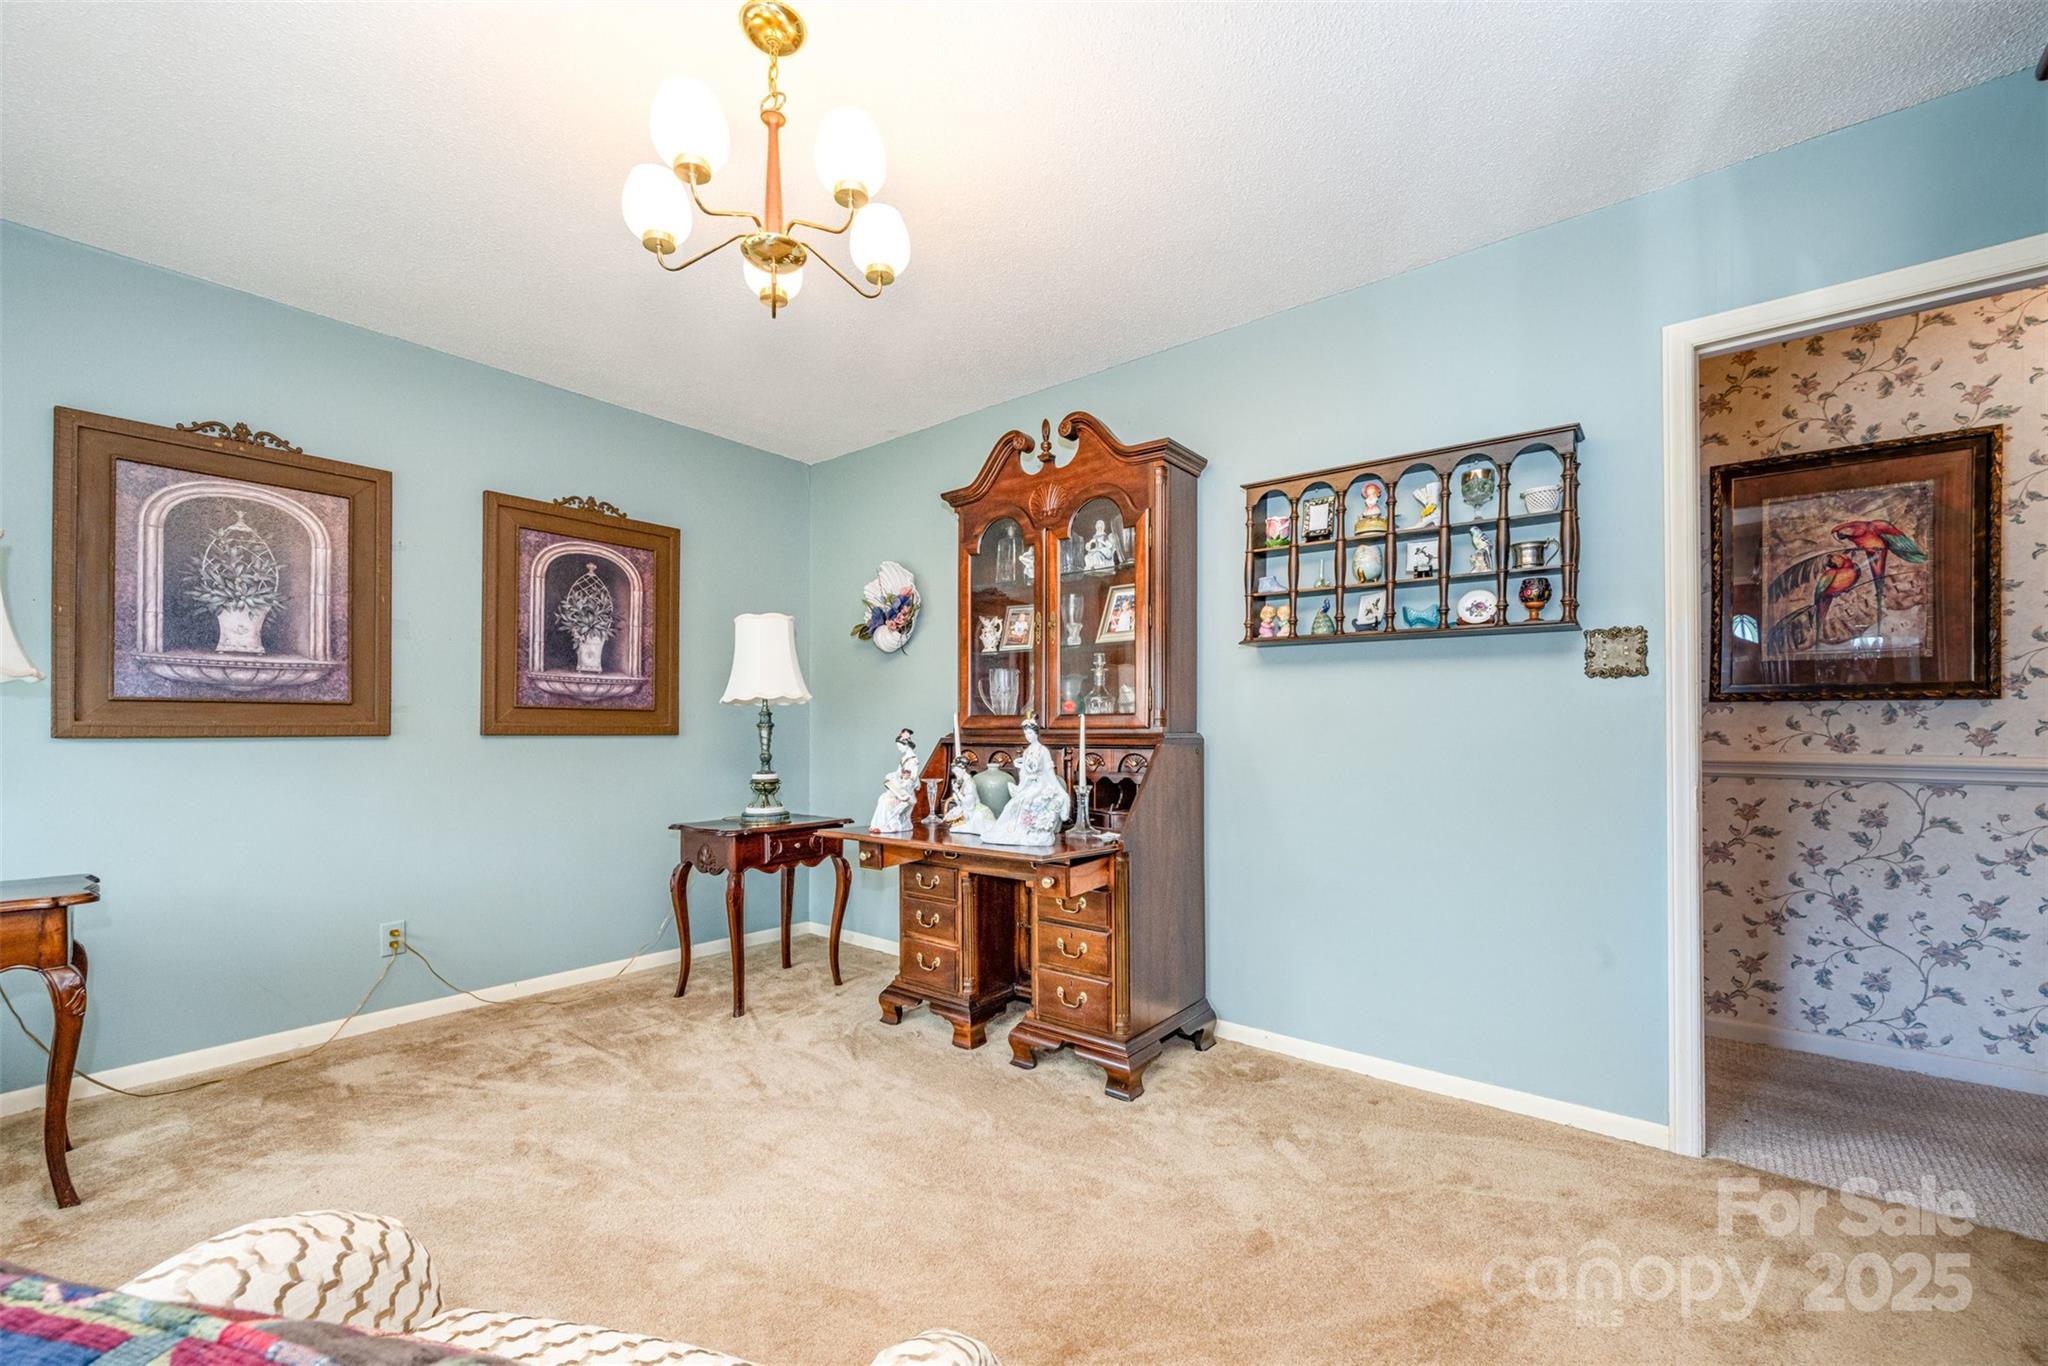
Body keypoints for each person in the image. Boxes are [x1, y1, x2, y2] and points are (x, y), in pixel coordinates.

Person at [977, 716, 1070, 847]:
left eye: (1030, 733)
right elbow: (1025, 773)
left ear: (1036, 733)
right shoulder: (1027, 751)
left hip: (1041, 784)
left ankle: (1030, 832)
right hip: (1028, 784)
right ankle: (1006, 831)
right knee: (1011, 805)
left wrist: (1060, 791)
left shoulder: (1043, 751)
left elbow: (1049, 773)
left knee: (1028, 802)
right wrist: (1021, 770)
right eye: (1026, 734)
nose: (1028, 736)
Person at [868, 727, 918, 832]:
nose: (899, 749)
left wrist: (902, 784)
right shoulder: (904, 758)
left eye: (899, 746)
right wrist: (891, 776)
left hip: (906, 791)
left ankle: (890, 825)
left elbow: (912, 778)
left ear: (906, 744)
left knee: (887, 801)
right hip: (900, 786)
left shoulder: (913, 760)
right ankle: (879, 824)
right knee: (882, 798)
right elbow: (899, 773)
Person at [943, 759, 993, 836]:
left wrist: (957, 791)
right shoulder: (964, 782)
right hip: (967, 810)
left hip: (973, 812)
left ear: (963, 770)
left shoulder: (969, 784)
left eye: (957, 771)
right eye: (955, 772)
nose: (956, 774)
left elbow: (968, 803)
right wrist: (956, 794)